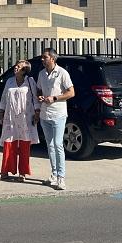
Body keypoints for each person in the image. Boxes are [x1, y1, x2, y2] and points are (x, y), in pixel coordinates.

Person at [0, 60, 40, 182]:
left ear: (24, 70)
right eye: (16, 66)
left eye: (18, 67)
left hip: (25, 118)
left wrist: (37, 113)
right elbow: (4, 98)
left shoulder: (30, 82)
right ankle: (5, 171)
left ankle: (23, 173)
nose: (15, 68)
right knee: (8, 143)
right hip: (10, 117)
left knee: (24, 145)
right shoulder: (9, 81)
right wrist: (1, 113)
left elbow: (35, 99)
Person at [37, 48, 74, 190]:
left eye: (45, 57)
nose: (42, 59)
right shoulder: (41, 73)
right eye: (42, 57)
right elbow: (39, 89)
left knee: (58, 144)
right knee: (50, 145)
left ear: (52, 58)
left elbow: (71, 92)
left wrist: (55, 98)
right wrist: (40, 96)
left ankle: (61, 177)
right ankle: (53, 174)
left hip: (58, 114)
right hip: (45, 114)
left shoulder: (62, 73)